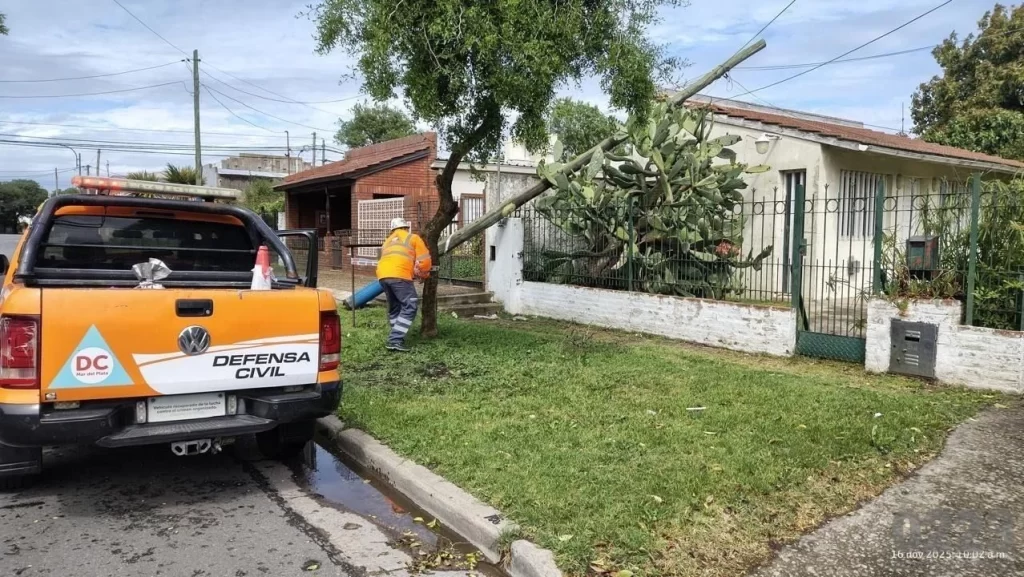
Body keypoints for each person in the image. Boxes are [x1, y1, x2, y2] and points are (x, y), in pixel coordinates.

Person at [376, 217, 432, 352]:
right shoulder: (413, 238)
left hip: (382, 276)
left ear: (392, 230)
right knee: (410, 306)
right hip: (400, 275)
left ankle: (396, 337)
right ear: (406, 228)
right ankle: (394, 339)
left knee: (395, 307)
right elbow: (424, 260)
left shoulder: (387, 242)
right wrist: (424, 274)